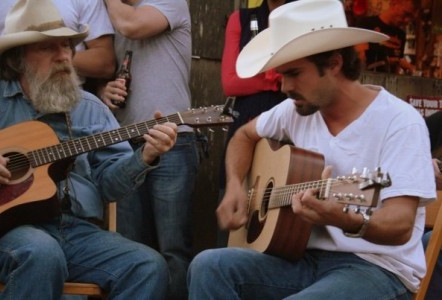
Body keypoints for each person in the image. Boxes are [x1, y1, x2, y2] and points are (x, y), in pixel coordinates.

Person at [187, 0, 436, 299]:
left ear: (333, 64)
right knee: (208, 265)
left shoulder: (400, 121)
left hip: (376, 268)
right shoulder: (294, 110)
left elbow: (401, 224)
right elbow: (244, 135)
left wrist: (343, 219)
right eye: (281, 75)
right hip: (302, 259)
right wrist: (236, 186)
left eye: (293, 73)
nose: (283, 87)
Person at [0, 0, 178, 298]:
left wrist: (145, 156)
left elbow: (109, 185)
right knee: (41, 252)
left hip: (75, 230)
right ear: (18, 58)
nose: (63, 56)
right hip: (4, 232)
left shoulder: (90, 108)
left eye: (67, 46)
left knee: (148, 265)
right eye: (48, 47)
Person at [99, 1, 199, 299]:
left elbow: (132, 25)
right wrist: (103, 90)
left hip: (174, 141)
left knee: (173, 250)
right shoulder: (115, 12)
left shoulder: (168, 2)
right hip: (125, 143)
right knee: (131, 249)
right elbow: (105, 66)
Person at [217, 0, 292, 247]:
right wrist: (274, 80)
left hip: (290, 129)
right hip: (246, 127)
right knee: (233, 216)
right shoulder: (241, 18)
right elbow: (230, 82)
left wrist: (258, 75)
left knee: (280, 227)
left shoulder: (303, 16)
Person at [0, 0, 116, 93]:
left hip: (68, 95)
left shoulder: (93, 110)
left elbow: (105, 62)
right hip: (5, 99)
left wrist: (55, 58)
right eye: (46, 48)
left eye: (66, 44)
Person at [355, 0, 417, 74]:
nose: (407, 20)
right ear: (394, 3)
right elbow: (358, 58)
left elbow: (396, 68)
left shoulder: (401, 34)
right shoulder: (366, 24)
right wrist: (390, 61)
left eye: (411, 18)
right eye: (406, 14)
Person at [421, 110, 442, 300]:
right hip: (426, 214)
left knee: (430, 243)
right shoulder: (437, 122)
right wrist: (424, 163)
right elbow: (407, 160)